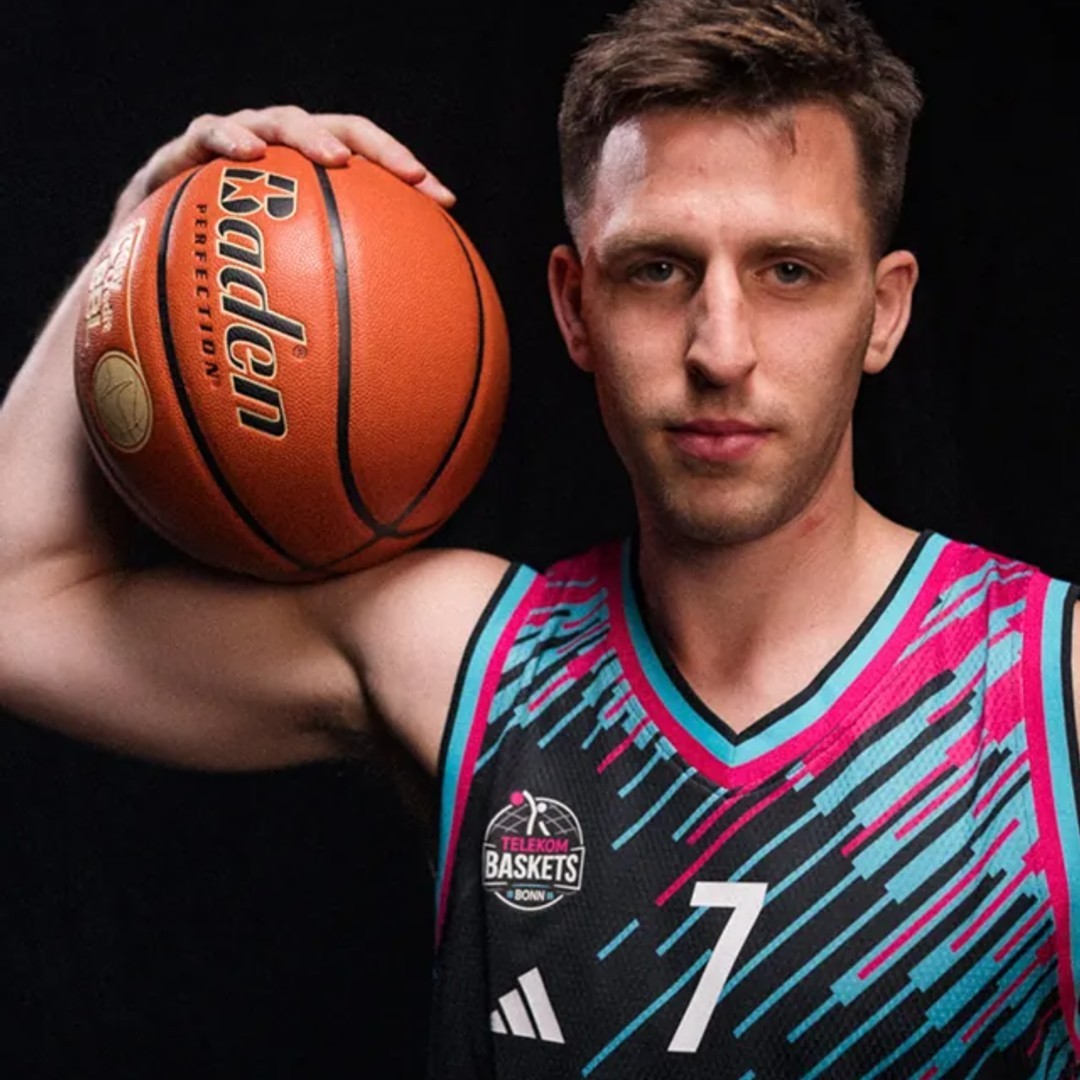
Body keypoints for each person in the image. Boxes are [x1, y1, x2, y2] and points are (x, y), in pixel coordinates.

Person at [1, 0, 1077, 1076]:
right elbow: (17, 610)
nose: (721, 349)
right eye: (657, 269)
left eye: (789, 271)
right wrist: (140, 249)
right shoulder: (471, 660)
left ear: (884, 311)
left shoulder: (1050, 690)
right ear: (572, 305)